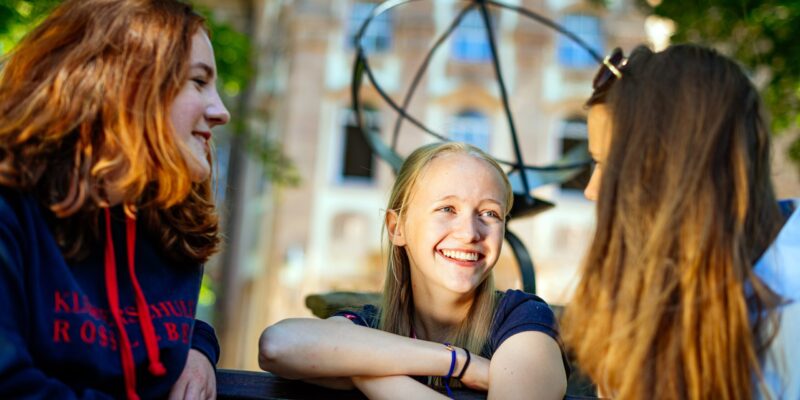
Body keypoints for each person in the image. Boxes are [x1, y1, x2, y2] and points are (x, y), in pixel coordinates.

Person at [0, 0, 230, 398]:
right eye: (198, 81)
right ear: (125, 86)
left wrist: (196, 343)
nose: (220, 111)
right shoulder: (11, 211)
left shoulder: (173, 224)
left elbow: (130, 322)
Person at [561, 43, 799, 400]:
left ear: (673, 168)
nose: (592, 191)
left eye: (607, 164)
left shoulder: (788, 302)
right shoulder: (662, 286)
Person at [258, 142, 568, 399]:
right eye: (447, 209)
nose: (470, 232)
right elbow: (278, 344)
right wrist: (459, 363)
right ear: (398, 228)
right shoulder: (376, 324)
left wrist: (365, 370)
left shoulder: (523, 320)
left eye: (489, 213)